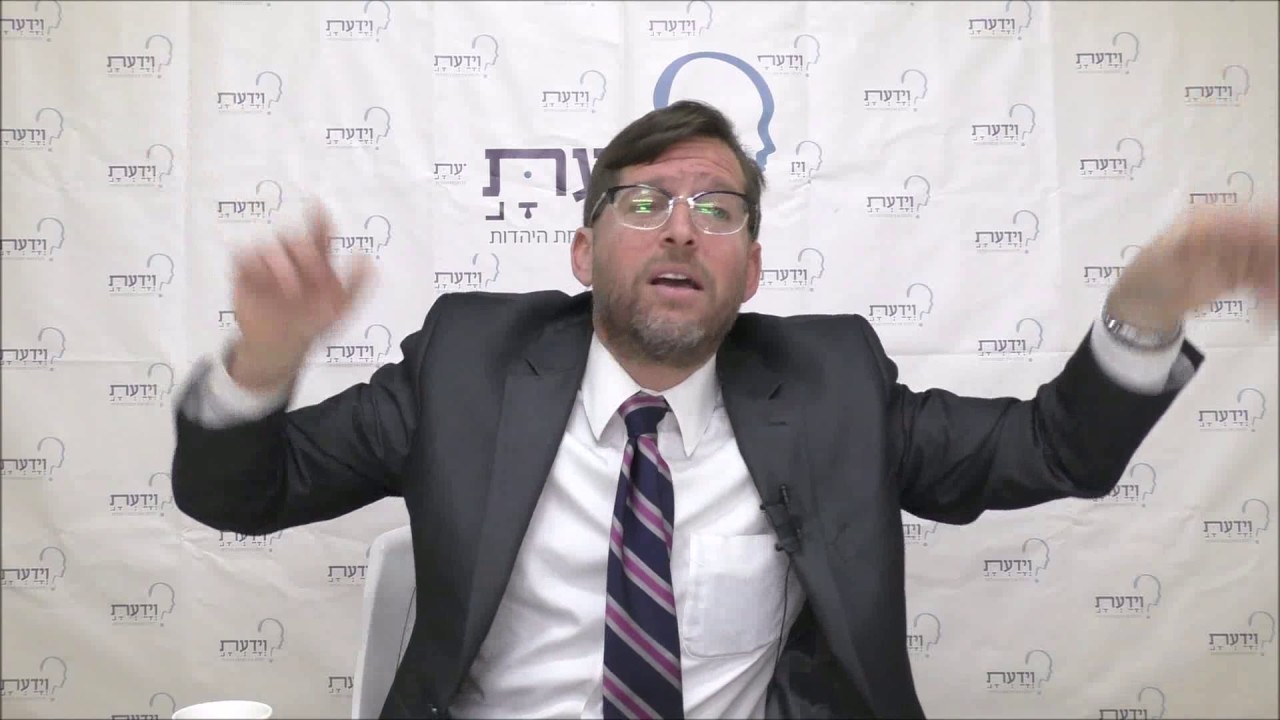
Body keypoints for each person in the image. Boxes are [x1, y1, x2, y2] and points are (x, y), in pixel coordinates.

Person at [171, 100, 1278, 719]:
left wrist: (1143, 311)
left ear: (749, 269)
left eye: (716, 209)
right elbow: (239, 494)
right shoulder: (468, 363)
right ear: (582, 249)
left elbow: (1052, 450)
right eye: (643, 201)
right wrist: (262, 361)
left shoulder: (832, 383)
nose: (679, 227)